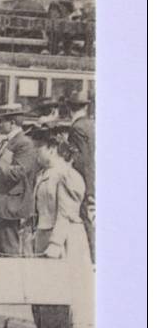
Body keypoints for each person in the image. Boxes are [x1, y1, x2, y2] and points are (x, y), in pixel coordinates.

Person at [27, 127, 95, 328]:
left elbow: (66, 212)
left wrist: (55, 244)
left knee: (66, 288)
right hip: (46, 233)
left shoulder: (65, 174)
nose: (37, 153)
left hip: (65, 238)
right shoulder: (45, 173)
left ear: (53, 149)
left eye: (40, 148)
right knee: (46, 289)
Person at [0, 103, 39, 257]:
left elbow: (18, 173)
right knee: (0, 249)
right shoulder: (9, 142)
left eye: (2, 121)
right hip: (2, 206)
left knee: (9, 251)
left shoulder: (24, 144)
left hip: (11, 207)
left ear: (12, 123)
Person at [66, 94, 96, 261]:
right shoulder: (92, 124)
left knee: (88, 221)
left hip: (87, 182)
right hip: (97, 180)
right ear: (85, 107)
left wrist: (86, 187)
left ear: (70, 109)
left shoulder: (76, 128)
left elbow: (82, 160)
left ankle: (94, 259)